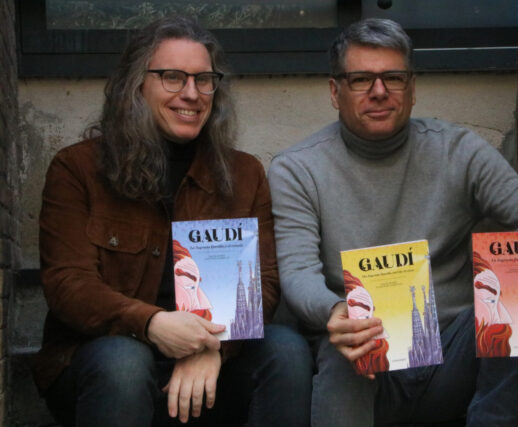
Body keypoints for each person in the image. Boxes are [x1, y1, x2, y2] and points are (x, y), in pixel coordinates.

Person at [268, 18, 518, 426]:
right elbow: (297, 272)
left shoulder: (459, 151)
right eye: (361, 79)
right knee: (346, 341)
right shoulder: (298, 169)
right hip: (368, 367)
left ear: (412, 88)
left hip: (455, 357)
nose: (379, 91)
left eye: (393, 78)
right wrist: (336, 310)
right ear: (335, 91)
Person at [34, 16, 312, 427]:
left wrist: (215, 347)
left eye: (204, 80)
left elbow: (265, 283)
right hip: (105, 362)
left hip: (209, 368)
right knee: (123, 361)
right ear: (136, 85)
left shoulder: (244, 173)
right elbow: (68, 285)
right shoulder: (77, 168)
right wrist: (151, 324)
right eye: (173, 77)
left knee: (286, 349)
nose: (192, 93)